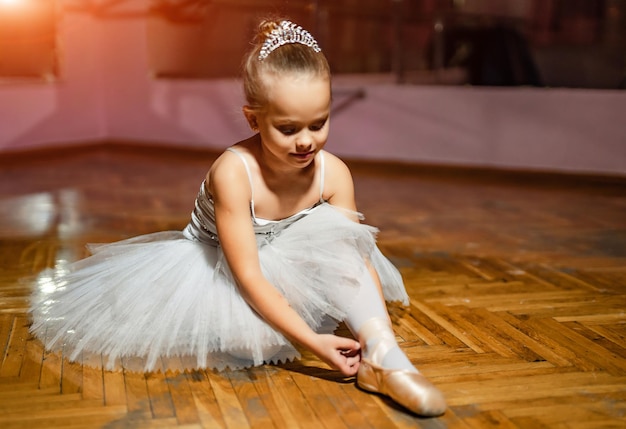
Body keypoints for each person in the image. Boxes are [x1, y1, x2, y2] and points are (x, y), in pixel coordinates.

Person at [29, 19, 446, 417]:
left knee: (343, 243)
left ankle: (387, 362)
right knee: (251, 344)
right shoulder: (233, 172)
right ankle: (357, 350)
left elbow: (357, 258)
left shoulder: (332, 172)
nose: (306, 141)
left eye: (319, 124)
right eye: (287, 128)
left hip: (289, 258)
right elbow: (246, 274)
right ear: (253, 119)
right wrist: (313, 342)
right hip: (221, 268)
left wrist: (375, 330)